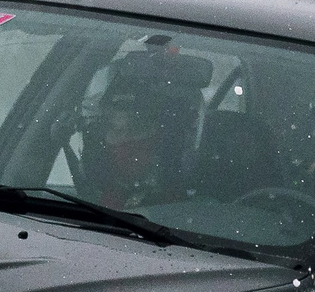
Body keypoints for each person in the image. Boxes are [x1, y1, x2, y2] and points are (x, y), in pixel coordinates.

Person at [71, 38, 211, 209]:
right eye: (117, 132)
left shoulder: (181, 209)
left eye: (138, 130)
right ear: (101, 137)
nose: (127, 141)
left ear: (162, 135)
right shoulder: (80, 204)